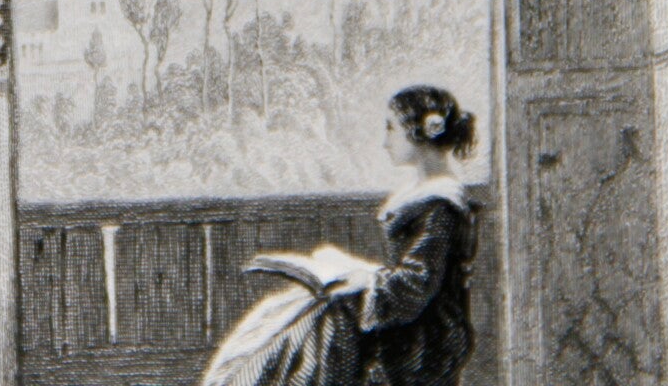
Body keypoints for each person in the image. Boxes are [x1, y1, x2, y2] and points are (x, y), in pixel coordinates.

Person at [199, 85, 479, 386]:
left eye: (391, 128)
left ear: (420, 133)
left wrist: (365, 281)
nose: (385, 142)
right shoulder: (426, 195)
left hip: (426, 337)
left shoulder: (440, 204)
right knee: (293, 311)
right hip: (409, 320)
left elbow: (415, 285)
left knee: (326, 318)